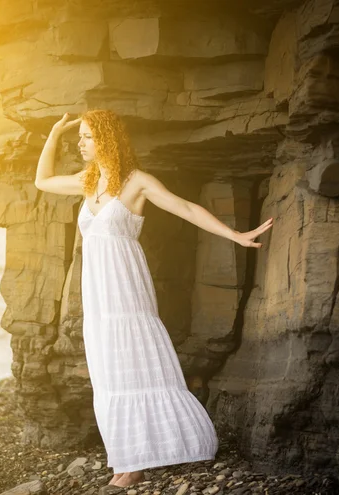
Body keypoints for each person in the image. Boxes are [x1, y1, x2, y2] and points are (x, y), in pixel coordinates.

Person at [34, 109, 274, 488]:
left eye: (86, 137)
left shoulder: (137, 182)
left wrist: (235, 236)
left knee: (131, 361)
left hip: (126, 289)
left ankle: (134, 463)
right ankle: (127, 457)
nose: (79, 143)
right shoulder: (87, 180)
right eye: (78, 137)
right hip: (98, 294)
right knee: (108, 371)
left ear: (107, 140)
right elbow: (42, 180)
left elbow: (186, 208)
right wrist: (53, 134)